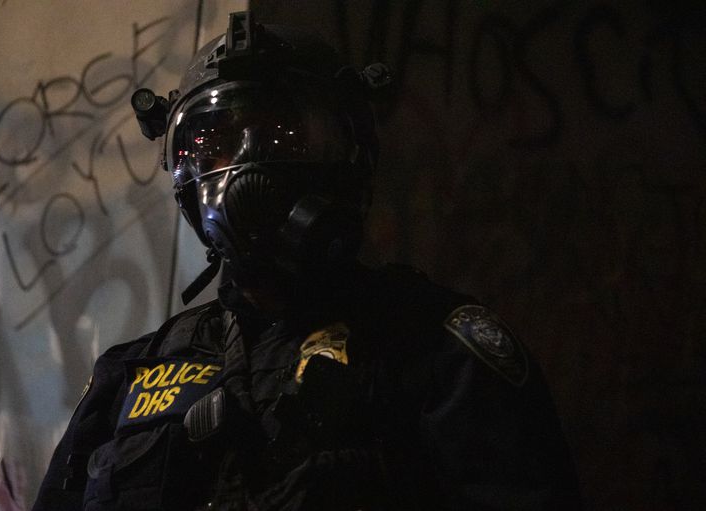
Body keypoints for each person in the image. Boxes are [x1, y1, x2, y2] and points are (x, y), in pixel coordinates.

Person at [33, 11, 582, 510]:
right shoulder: (132, 372)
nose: (243, 172)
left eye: (283, 136)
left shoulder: (439, 354)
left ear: (350, 159)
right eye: (214, 147)